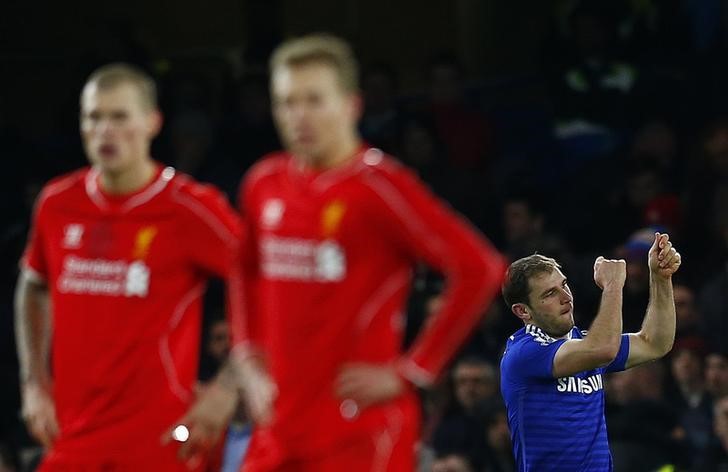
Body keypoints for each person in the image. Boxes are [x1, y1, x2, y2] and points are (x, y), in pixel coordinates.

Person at [176, 33, 506, 471]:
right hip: (279, 425)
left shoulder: (380, 187)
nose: (299, 116)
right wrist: (246, 353)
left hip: (358, 430)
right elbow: (244, 269)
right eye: (287, 103)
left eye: (314, 101)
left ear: (351, 104)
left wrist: (414, 369)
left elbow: (480, 268)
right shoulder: (264, 182)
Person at [14, 63, 243, 470]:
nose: (105, 130)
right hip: (73, 435)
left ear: (153, 123)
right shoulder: (57, 203)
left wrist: (227, 386)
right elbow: (33, 286)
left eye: (119, 117)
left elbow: (273, 289)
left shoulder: (190, 207)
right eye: (94, 117)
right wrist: (34, 383)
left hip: (159, 439)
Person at [500, 232, 681, 471]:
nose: (566, 297)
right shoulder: (524, 354)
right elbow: (603, 350)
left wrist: (660, 278)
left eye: (563, 285)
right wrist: (613, 285)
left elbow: (654, 343)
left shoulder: (582, 343)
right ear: (523, 311)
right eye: (549, 294)